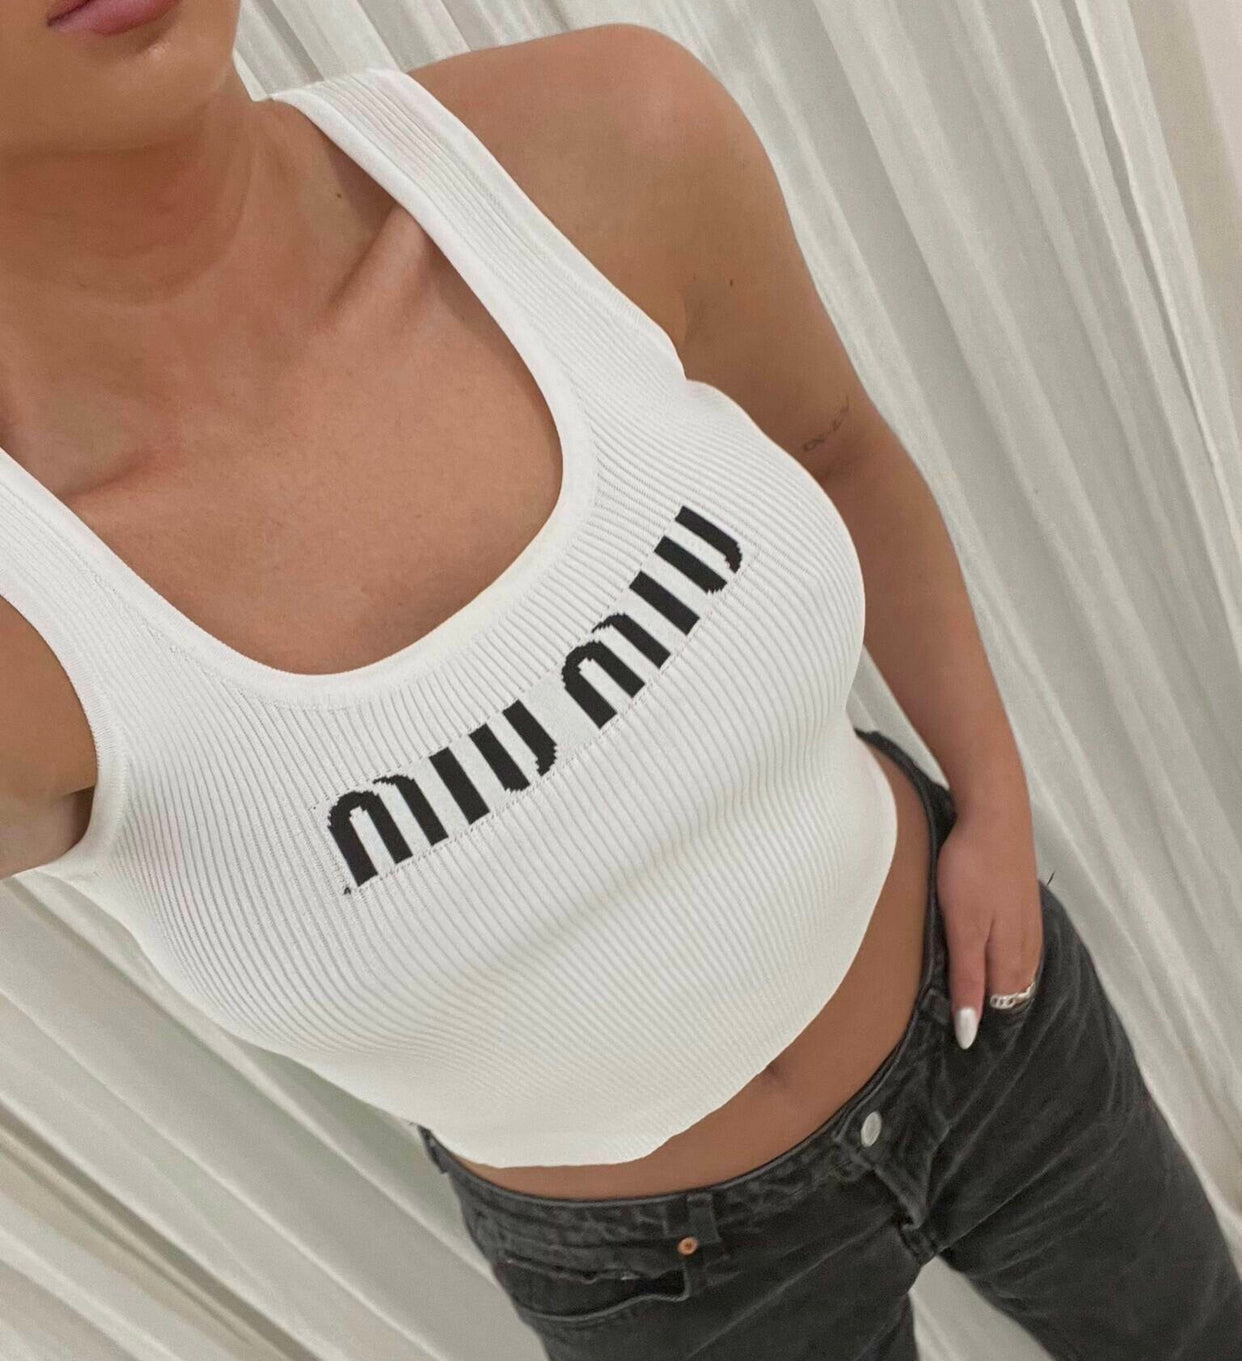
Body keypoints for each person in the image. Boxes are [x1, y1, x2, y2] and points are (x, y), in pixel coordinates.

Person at [1, 6, 1238, 1358]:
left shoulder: (604, 143)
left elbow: (835, 443)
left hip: (992, 1022)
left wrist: (994, 803)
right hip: (668, 1289)